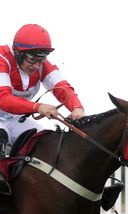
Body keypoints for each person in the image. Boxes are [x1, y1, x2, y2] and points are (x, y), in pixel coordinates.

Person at [0, 24, 85, 195]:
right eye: (32, 60)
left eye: (41, 60)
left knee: (47, 143)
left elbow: (62, 88)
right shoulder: (2, 59)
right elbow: (3, 99)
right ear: (18, 53)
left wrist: (77, 107)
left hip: (15, 120)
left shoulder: (40, 65)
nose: (36, 66)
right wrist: (37, 107)